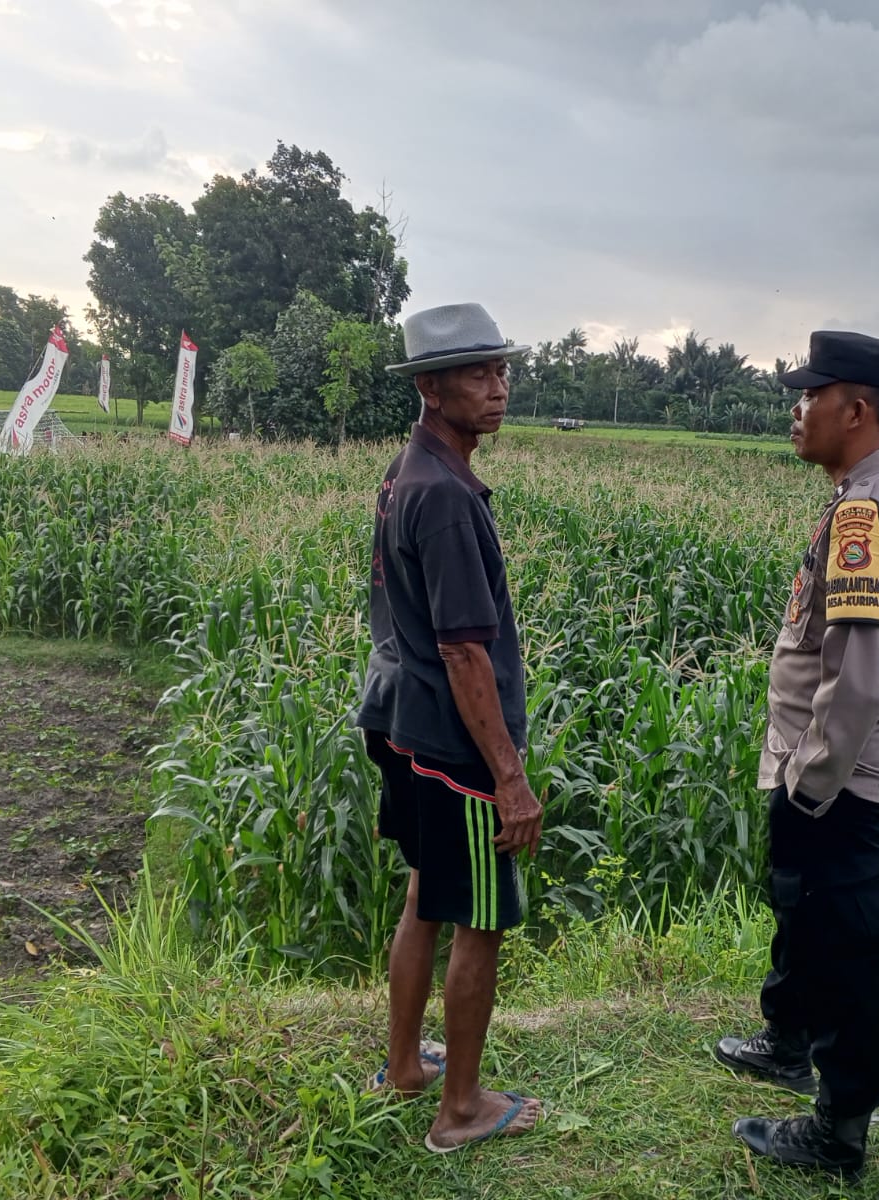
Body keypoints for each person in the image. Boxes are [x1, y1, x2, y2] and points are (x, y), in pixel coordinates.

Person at [715, 330, 879, 1175]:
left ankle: (838, 1130)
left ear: (857, 409)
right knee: (807, 915)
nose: (797, 410)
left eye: (813, 394)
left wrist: (809, 787)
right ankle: (789, 1042)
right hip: (821, 764)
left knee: (847, 935)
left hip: (832, 774)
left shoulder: (864, 510)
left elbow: (858, 675)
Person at [356, 302, 545, 1153]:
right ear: (431, 388)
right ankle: (460, 1106)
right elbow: (467, 654)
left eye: (502, 370)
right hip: (452, 745)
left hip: (403, 720)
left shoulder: (412, 471)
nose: (498, 388)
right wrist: (509, 776)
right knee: (480, 916)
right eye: (478, 373)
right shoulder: (444, 497)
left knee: (426, 892)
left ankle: (404, 1066)